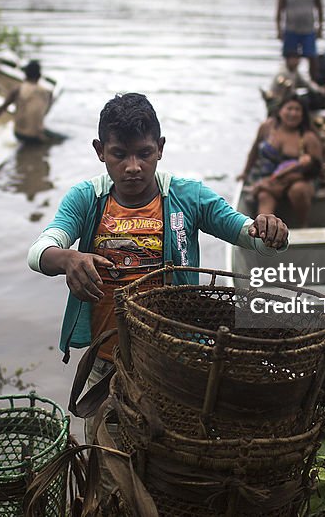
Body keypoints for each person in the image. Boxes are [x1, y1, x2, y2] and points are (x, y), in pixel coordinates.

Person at [27, 93, 289, 438]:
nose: (133, 166)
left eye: (144, 153)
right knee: (107, 460)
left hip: (174, 358)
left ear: (160, 148)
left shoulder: (188, 196)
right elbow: (40, 250)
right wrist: (67, 258)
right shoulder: (87, 198)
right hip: (107, 364)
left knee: (170, 456)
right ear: (100, 150)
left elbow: (245, 233)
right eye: (120, 154)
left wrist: (269, 231)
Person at [239, 95, 323, 227]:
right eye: (289, 108)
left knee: (297, 190)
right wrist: (245, 172)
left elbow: (316, 169)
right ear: (280, 110)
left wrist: (289, 176)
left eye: (297, 110)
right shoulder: (267, 127)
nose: (293, 113)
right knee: (264, 195)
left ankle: (302, 225)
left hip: (299, 179)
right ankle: (265, 234)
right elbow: (254, 151)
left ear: (303, 114)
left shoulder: (308, 137)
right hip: (269, 178)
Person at [0, 59, 53, 143]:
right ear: (39, 75)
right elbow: (42, 113)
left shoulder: (18, 90)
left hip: (20, 134)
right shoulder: (46, 92)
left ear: (25, 74)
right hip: (37, 135)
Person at [276, 0, 325, 85]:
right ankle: (288, 83)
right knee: (290, 58)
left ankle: (314, 83)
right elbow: (279, 10)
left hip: (308, 29)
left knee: (312, 57)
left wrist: (320, 27)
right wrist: (279, 30)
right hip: (291, 29)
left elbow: (319, 7)